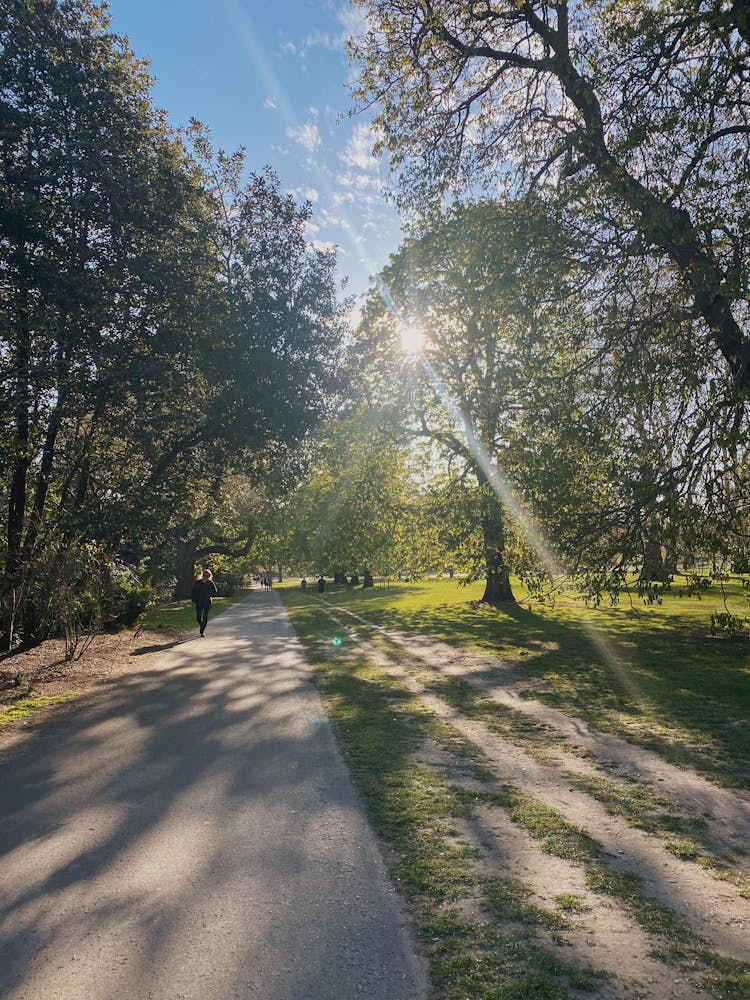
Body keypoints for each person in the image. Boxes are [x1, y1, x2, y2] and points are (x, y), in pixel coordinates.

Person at [191, 568, 218, 637]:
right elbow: (193, 592)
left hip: (207, 602)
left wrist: (209, 594)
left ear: (209, 576)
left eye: (207, 576)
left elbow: (215, 592)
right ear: (202, 575)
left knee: (205, 617)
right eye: (205, 575)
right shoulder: (198, 583)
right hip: (199, 602)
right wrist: (193, 601)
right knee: (198, 618)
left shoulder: (210, 583)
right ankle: (202, 626)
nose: (206, 577)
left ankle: (202, 631)